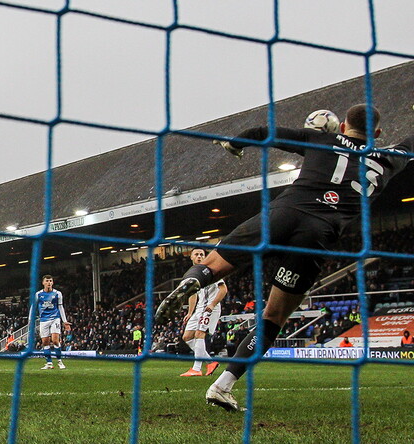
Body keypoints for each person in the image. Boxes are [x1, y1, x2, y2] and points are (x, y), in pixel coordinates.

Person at [155, 104, 414, 412]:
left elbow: (262, 132)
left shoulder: (320, 139)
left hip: (285, 212)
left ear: (342, 127)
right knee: (274, 317)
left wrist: (234, 144)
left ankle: (193, 280)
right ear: (378, 133)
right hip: (318, 235)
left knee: (212, 265)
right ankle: (222, 386)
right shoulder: (390, 158)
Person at [180, 248, 228, 377]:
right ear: (191, 257)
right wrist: (190, 312)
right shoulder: (193, 274)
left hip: (210, 308)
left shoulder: (211, 270)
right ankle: (210, 362)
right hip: (199, 309)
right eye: (196, 254)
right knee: (186, 337)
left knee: (199, 334)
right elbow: (192, 294)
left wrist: (212, 304)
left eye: (202, 254)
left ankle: (196, 369)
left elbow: (223, 289)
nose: (199, 256)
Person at [30, 275, 71, 369]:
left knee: (55, 340)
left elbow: (60, 307)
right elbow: (33, 307)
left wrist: (65, 321)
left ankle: (60, 362)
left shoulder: (57, 293)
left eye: (50, 281)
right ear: (43, 283)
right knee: (45, 342)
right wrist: (30, 319)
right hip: (43, 320)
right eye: (47, 281)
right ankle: (49, 363)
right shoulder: (38, 294)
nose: (49, 283)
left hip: (54, 318)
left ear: (52, 282)